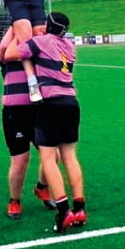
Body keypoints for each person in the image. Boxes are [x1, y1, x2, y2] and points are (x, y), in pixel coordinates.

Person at [12, 13, 86, 233]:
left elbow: (15, 53)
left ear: (47, 26)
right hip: (71, 102)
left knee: (48, 158)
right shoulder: (70, 47)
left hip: (50, 104)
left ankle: (63, 211)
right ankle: (79, 208)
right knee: (70, 156)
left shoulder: (41, 42)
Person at [0, 27, 56, 220]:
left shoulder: (37, 52)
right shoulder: (7, 56)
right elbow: (4, 49)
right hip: (15, 114)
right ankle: (15, 200)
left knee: (53, 155)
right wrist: (19, 24)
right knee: (20, 161)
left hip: (39, 110)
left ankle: (42, 187)